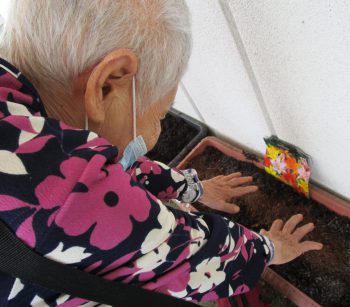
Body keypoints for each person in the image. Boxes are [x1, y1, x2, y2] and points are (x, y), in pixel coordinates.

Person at [0, 1, 322, 306]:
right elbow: (193, 256)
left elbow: (105, 167)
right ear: (107, 86)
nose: (155, 132)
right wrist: (269, 248)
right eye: (159, 115)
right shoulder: (69, 195)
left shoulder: (18, 105)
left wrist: (192, 187)